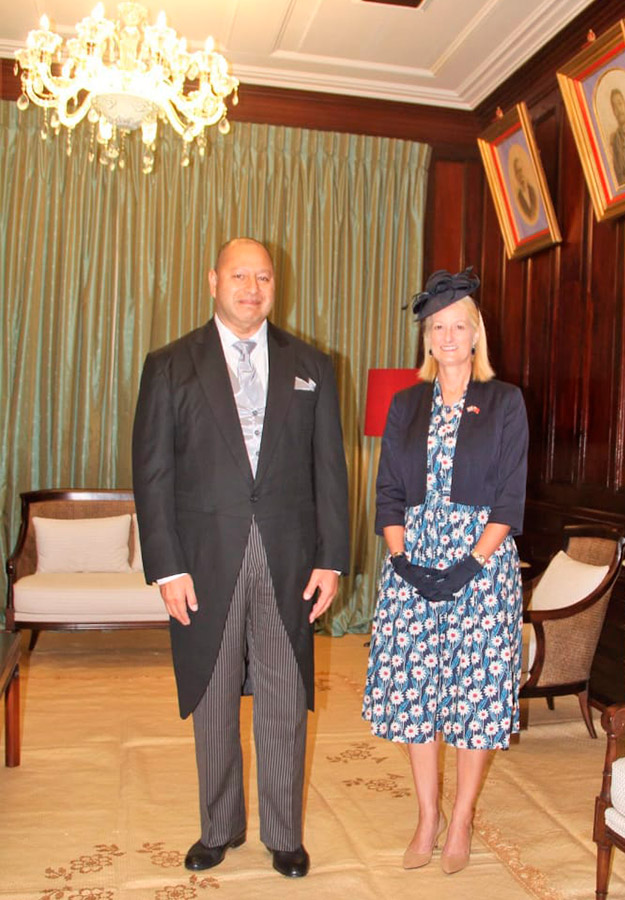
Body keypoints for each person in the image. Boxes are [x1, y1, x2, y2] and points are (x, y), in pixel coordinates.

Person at [132, 237, 349, 879]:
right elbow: (153, 474)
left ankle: (284, 835)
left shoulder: (313, 364)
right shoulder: (169, 365)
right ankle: (219, 828)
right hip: (203, 560)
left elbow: (329, 472)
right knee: (214, 695)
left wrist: (331, 558)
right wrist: (166, 567)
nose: (251, 288)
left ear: (274, 285)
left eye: (263, 277)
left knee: (285, 695)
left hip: (287, 555)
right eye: (238, 275)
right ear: (212, 281)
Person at [362, 268, 528, 875]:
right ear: (427, 338)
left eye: (460, 325)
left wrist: (469, 565)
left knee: (474, 693)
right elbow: (387, 494)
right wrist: (402, 558)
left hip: (480, 566)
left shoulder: (506, 401)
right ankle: (426, 816)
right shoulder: (405, 403)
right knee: (417, 694)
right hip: (414, 564)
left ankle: (459, 823)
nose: (450, 336)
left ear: (476, 333)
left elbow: (510, 500)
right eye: (439, 327)